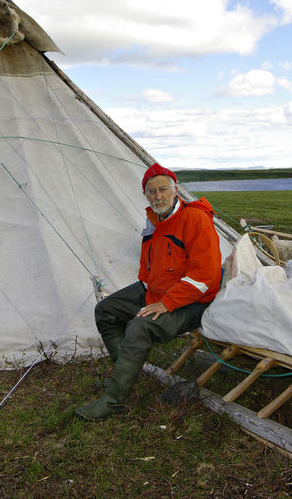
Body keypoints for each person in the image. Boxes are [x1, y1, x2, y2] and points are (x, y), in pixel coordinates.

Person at [76, 163, 222, 421]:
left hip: (194, 301)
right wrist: (145, 287)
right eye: (151, 191)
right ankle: (125, 373)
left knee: (140, 326)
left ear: (175, 189)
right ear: (145, 195)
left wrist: (166, 303)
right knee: (106, 310)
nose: (157, 196)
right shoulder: (154, 219)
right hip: (158, 291)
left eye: (163, 189)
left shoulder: (195, 218)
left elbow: (206, 277)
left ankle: (113, 402)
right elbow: (149, 261)